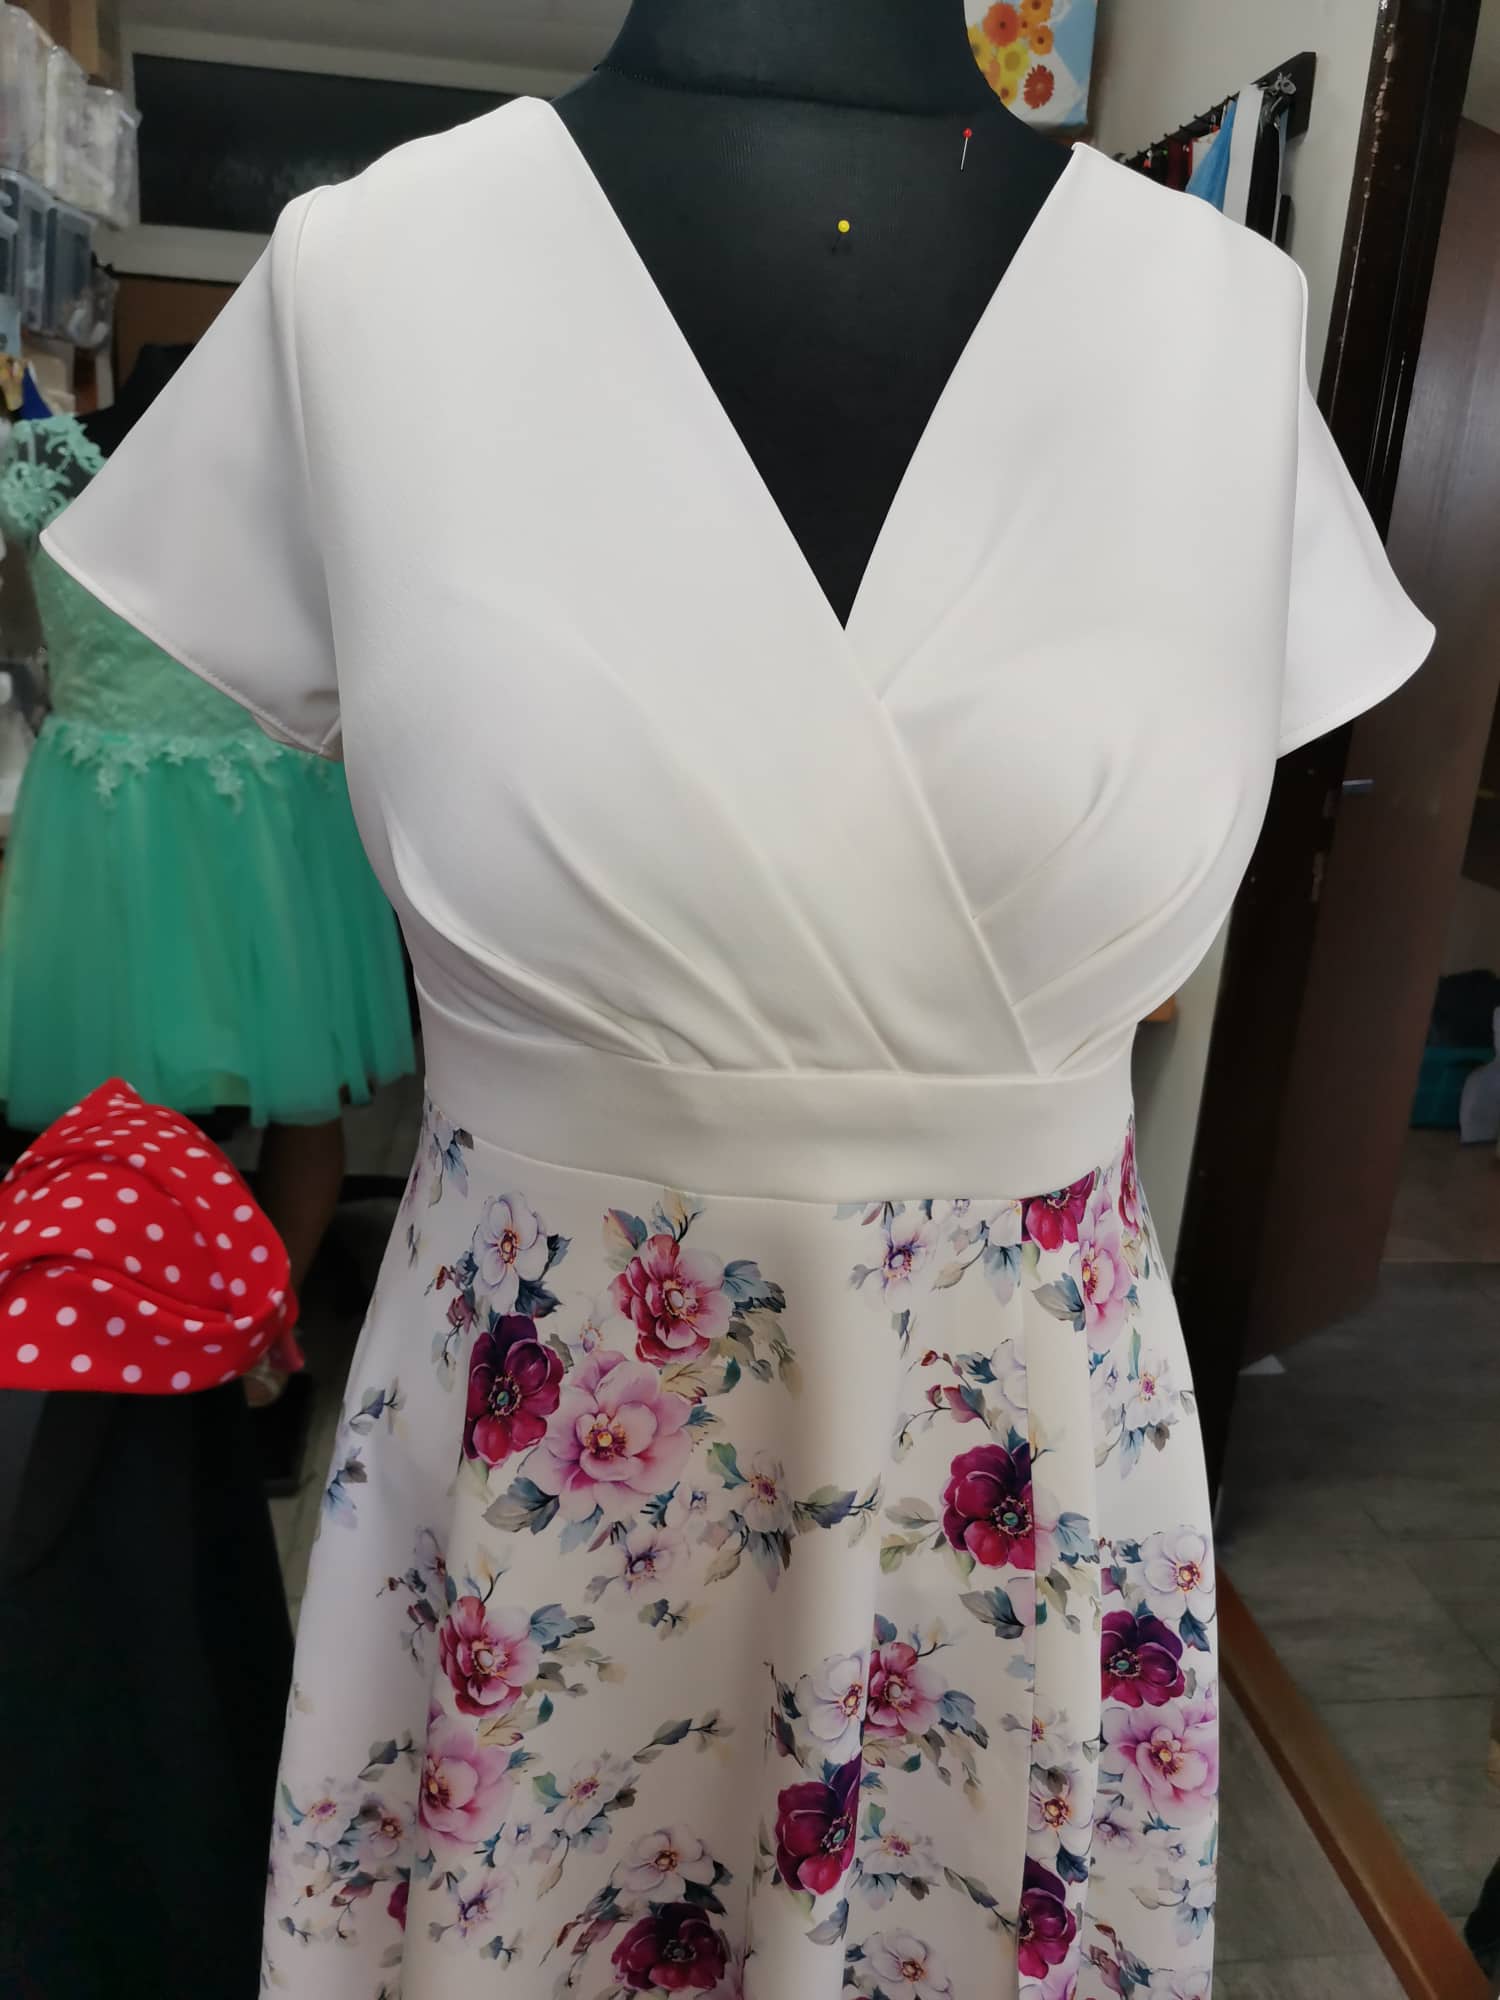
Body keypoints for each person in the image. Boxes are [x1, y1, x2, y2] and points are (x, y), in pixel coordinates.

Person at [0, 346, 414, 1315]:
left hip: (243, 826)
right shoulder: (45, 463)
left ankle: (261, 1326)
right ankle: (138, 1320)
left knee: (294, 1097)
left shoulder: (311, 477)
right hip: (148, 830)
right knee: (127, 1108)